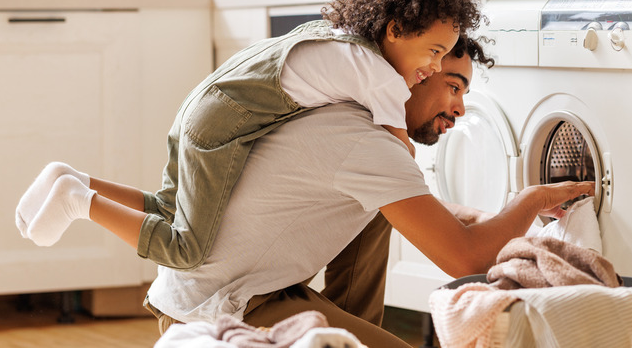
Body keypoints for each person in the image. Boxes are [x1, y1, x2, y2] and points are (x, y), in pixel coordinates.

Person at [14, 0, 481, 270]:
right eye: (434, 53)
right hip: (222, 127)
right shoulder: (377, 76)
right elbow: (400, 159)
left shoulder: (343, 41)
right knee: (187, 250)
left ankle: (74, 176)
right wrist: (443, 215)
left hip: (201, 110)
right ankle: (79, 201)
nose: (434, 68)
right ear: (396, 30)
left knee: (168, 207)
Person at [142, 38, 595, 347]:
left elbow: (400, 202)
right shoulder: (366, 143)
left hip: (233, 291)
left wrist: (478, 220)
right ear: (420, 72)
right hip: (221, 309)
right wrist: (530, 199)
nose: (459, 108)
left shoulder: (352, 117)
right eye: (453, 87)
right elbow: (468, 261)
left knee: (380, 211)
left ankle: (347, 332)